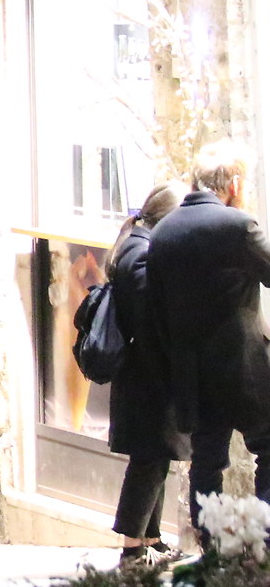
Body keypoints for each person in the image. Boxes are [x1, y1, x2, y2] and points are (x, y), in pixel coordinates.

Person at [148, 141, 270, 532]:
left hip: (193, 373)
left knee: (206, 462)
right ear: (233, 184)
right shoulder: (239, 227)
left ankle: (211, 548)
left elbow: (156, 311)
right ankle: (265, 541)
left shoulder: (163, 233)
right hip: (244, 369)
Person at [105, 183, 188, 563]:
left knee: (157, 457)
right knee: (148, 461)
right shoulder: (141, 253)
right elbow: (149, 316)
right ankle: (131, 549)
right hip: (147, 377)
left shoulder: (137, 245)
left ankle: (151, 539)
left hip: (147, 375)